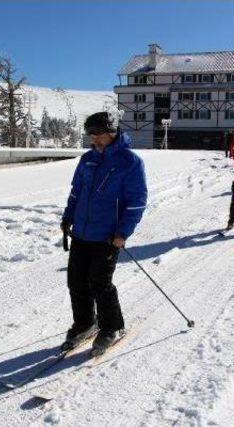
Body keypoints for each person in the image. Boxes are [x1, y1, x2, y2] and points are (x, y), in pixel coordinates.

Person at [60, 111, 148, 355]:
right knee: (76, 282)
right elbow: (76, 192)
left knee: (100, 282)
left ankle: (112, 326)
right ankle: (85, 323)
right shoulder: (86, 159)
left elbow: (137, 202)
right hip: (81, 232)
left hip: (108, 236)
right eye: (91, 135)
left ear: (111, 132)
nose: (94, 140)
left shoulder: (130, 162)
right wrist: (68, 217)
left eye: (98, 135)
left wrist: (123, 233)